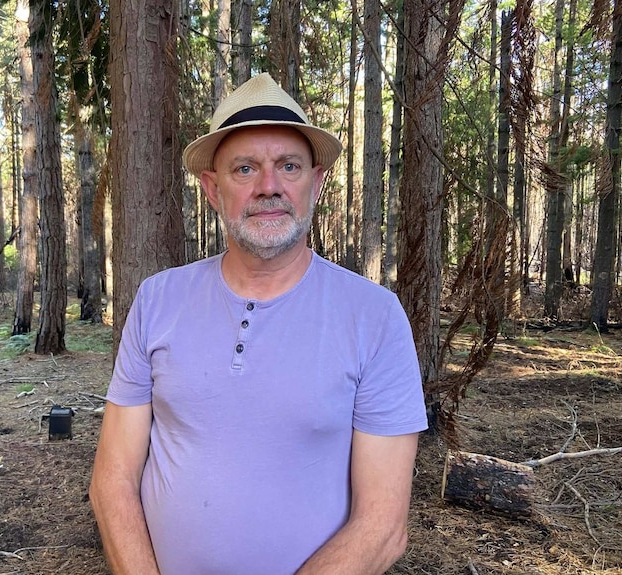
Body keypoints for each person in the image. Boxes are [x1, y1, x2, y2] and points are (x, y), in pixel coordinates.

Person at [89, 73, 428, 575]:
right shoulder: (158, 299)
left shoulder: (374, 317)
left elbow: (381, 526)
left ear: (314, 181)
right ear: (212, 188)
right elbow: (112, 478)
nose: (269, 187)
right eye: (244, 169)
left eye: (288, 166)